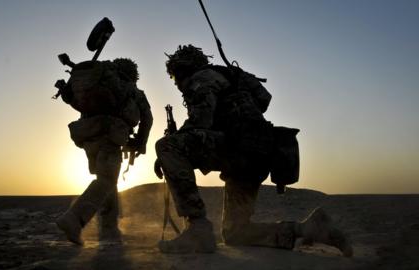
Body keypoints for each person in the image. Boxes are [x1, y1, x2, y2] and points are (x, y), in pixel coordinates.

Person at [154, 44, 352, 256]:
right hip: (257, 155)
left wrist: (172, 146)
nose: (176, 84)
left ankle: (197, 229)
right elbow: (265, 100)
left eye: (174, 78)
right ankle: (307, 229)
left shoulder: (202, 77)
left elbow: (201, 119)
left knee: (167, 146)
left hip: (237, 149)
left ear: (183, 69)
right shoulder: (233, 79)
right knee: (236, 233)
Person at [56, 57, 153, 245]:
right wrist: (140, 143)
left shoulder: (101, 83)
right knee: (107, 181)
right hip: (110, 136)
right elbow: (147, 118)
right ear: (133, 74)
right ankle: (74, 219)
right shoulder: (132, 90)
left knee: (107, 182)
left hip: (88, 137)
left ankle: (108, 230)